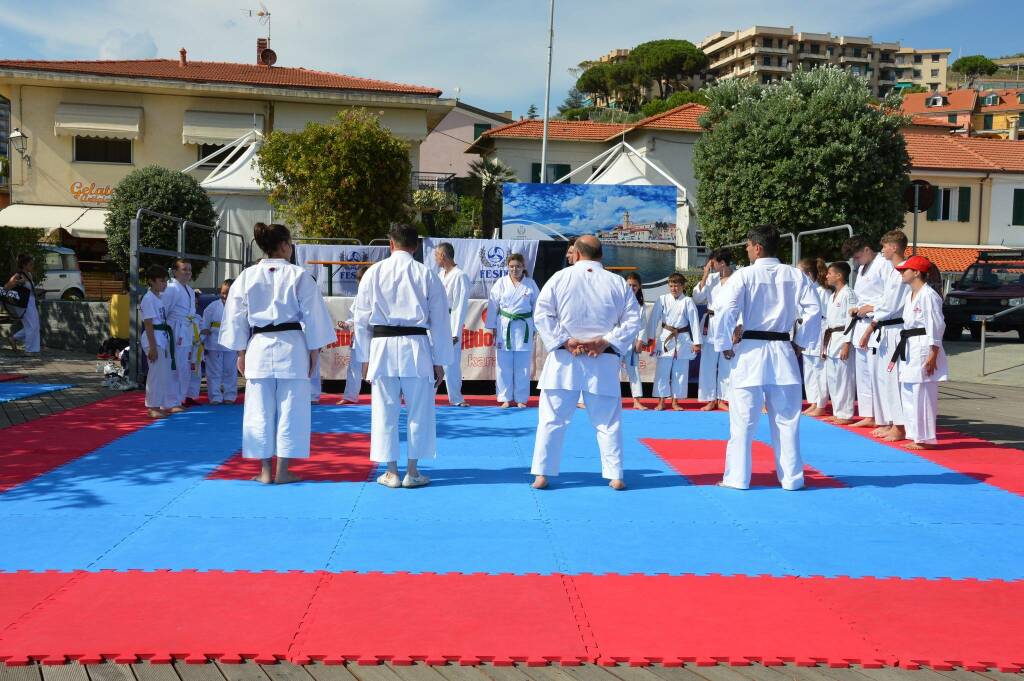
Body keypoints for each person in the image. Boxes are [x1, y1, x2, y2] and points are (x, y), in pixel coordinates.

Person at [220, 222, 336, 484]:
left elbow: (236, 317)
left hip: (259, 345)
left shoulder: (247, 276)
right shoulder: (298, 275)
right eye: (291, 243)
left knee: (258, 409)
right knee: (292, 409)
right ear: (284, 246)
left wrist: (241, 352)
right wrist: (314, 352)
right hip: (292, 346)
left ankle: (264, 472)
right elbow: (314, 317)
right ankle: (283, 471)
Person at [530, 235, 642, 491]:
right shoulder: (617, 283)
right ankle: (615, 475)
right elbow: (633, 320)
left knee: (552, 419)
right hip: (601, 360)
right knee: (607, 422)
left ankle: (543, 474)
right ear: (601, 255)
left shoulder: (560, 277)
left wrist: (565, 340)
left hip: (564, 360)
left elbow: (542, 313)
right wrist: (606, 341)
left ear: (577, 254)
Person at [714, 225, 821, 491]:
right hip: (783, 351)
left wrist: (724, 342)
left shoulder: (743, 276)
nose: (747, 249)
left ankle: (737, 478)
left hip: (751, 352)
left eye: (748, 245)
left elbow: (726, 309)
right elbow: (814, 311)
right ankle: (792, 480)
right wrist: (801, 341)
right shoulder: (795, 276)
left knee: (743, 422)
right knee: (787, 421)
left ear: (758, 247)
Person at [351, 223, 452, 489]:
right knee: (419, 410)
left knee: (384, 411)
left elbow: (360, 319)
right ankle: (413, 471)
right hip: (416, 347)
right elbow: (441, 321)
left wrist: (363, 358)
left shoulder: (373, 273)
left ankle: (391, 472)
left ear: (391, 244)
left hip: (382, 348)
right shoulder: (427, 275)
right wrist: (440, 361)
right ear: (416, 246)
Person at [893, 255, 948, 450]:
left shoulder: (928, 295)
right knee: (909, 390)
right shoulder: (910, 295)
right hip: (910, 344)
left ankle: (926, 438)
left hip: (924, 345)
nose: (901, 273)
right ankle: (915, 434)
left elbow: (937, 324)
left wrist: (934, 354)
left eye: (904, 270)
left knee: (922, 391)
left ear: (916, 272)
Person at [860, 230, 910, 442]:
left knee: (894, 379)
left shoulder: (902, 272)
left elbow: (891, 304)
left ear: (895, 247)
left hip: (896, 328)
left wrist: (871, 307)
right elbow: (885, 300)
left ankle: (900, 427)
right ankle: (892, 422)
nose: (882, 250)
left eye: (885, 246)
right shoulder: (892, 271)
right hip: (885, 328)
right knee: (886, 379)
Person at [842, 236, 888, 428]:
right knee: (863, 374)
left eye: (858, 256)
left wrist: (871, 307)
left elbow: (891, 296)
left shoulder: (883, 265)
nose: (856, 260)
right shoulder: (861, 269)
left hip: (877, 324)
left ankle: (882, 416)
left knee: (877, 374)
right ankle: (868, 414)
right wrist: (858, 308)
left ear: (868, 249)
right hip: (861, 324)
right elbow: (862, 297)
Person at [486, 253, 540, 408]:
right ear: (507, 267)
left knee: (523, 365)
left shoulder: (530, 284)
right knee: (503, 364)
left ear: (523, 268)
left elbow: (538, 307)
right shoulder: (501, 283)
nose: (514, 269)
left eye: (518, 266)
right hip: (505, 326)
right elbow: (492, 306)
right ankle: (505, 397)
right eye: (511, 266)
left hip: (524, 327)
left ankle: (521, 398)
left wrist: (535, 327)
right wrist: (493, 327)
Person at [648, 272, 702, 411]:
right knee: (662, 371)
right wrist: (650, 337)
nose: (673, 288)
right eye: (671, 285)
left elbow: (694, 322)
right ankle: (661, 401)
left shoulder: (687, 301)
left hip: (683, 338)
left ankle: (675, 401)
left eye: (676, 285)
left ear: (683, 286)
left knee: (680, 371)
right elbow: (654, 319)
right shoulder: (662, 299)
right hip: (666, 336)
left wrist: (697, 342)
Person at [693, 250, 736, 411]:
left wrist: (738, 328)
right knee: (708, 363)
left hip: (729, 324)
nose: (710, 266)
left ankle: (724, 399)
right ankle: (710, 399)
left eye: (713, 263)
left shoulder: (737, 279)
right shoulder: (710, 279)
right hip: (711, 324)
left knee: (727, 364)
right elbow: (697, 298)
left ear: (722, 263)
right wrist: (705, 275)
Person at [434, 242, 472, 407]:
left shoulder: (460, 275)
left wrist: (455, 332)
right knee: (433, 361)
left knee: (451, 363)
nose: (435, 258)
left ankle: (456, 398)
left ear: (443, 255)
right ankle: (428, 396)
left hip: (450, 323)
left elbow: (460, 306)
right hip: (436, 322)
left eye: (436, 255)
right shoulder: (440, 274)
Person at [822, 262, 858, 425]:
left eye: (830, 273)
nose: (827, 276)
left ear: (839, 275)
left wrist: (847, 343)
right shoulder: (832, 295)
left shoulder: (848, 294)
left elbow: (851, 320)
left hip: (843, 337)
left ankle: (845, 413)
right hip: (832, 338)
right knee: (833, 378)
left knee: (844, 378)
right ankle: (838, 411)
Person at [140, 265, 176, 418]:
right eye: (162, 281)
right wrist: (152, 348)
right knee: (155, 374)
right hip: (153, 338)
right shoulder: (148, 299)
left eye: (166, 281)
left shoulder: (158, 298)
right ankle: (152, 407)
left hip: (161, 337)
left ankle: (160, 404)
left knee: (162, 374)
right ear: (151, 281)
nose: (165, 284)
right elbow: (148, 325)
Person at [163, 259, 197, 411]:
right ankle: (170, 402)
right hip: (174, 331)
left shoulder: (189, 290)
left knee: (184, 367)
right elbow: (163, 311)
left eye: (189, 269)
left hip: (186, 330)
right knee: (174, 366)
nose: (188, 272)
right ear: (175, 272)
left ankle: (179, 399)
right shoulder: (171, 289)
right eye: (184, 269)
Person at [798, 257, 830, 416]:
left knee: (819, 369)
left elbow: (826, 316)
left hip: (820, 331)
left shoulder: (822, 291)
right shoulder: (806, 291)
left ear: (809, 274)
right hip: (807, 332)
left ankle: (821, 404)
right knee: (809, 370)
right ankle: (813, 401)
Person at [200, 279, 238, 405]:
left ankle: (230, 396)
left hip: (231, 344)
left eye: (228, 293)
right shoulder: (212, 307)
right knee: (214, 372)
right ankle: (215, 396)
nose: (225, 296)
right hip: (214, 343)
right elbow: (204, 326)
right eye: (223, 292)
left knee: (230, 371)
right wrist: (202, 341)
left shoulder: (239, 306)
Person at [339, 265, 370, 405]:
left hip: (376, 336)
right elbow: (353, 317)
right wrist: (346, 324)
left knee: (379, 370)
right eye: (359, 282)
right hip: (358, 336)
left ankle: (386, 398)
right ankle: (350, 396)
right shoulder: (358, 297)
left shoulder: (381, 295)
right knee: (354, 368)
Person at [2, 254, 40, 354]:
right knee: (31, 326)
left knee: (35, 326)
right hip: (23, 303)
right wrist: (17, 283)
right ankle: (29, 350)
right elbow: (6, 287)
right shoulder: (18, 275)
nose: (32, 266)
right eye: (30, 264)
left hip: (30, 302)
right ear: (24, 265)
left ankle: (14, 339)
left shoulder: (29, 275)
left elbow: (30, 289)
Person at [621, 272, 648, 410]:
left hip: (632, 343)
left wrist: (640, 341)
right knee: (611, 372)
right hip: (617, 341)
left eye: (634, 285)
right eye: (629, 285)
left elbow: (642, 325)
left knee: (634, 372)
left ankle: (636, 401)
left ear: (639, 287)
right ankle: (612, 400)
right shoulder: (617, 300)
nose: (631, 287)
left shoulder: (641, 305)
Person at [187, 288, 204, 402]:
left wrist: (200, 339)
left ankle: (191, 397)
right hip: (185, 348)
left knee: (196, 373)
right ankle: (179, 398)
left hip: (196, 349)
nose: (195, 306)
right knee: (183, 372)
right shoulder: (183, 319)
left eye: (197, 304)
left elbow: (202, 331)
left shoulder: (198, 318)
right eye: (193, 303)